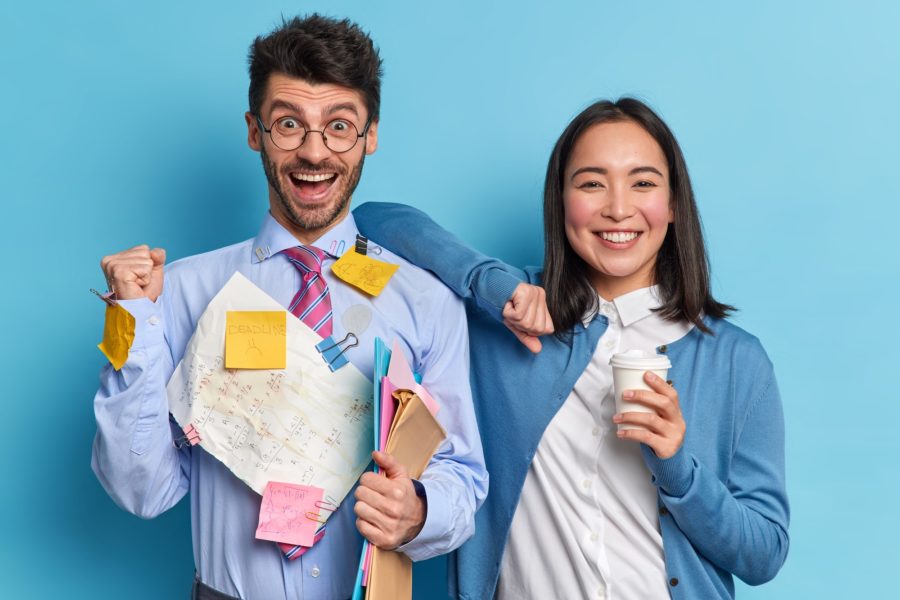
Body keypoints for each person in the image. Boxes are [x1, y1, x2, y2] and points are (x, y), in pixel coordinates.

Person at [91, 15, 487, 600]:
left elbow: (464, 476)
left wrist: (420, 511)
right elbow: (140, 490)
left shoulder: (425, 301)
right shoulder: (176, 293)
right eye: (288, 125)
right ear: (254, 131)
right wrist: (133, 322)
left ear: (370, 135)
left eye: (340, 127)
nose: (313, 152)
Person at [354, 98, 789, 599]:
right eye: (591, 183)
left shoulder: (736, 360)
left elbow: (764, 554)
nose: (618, 208)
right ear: (561, 202)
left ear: (672, 205)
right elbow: (373, 222)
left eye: (643, 183)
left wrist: (676, 464)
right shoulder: (506, 323)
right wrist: (495, 286)